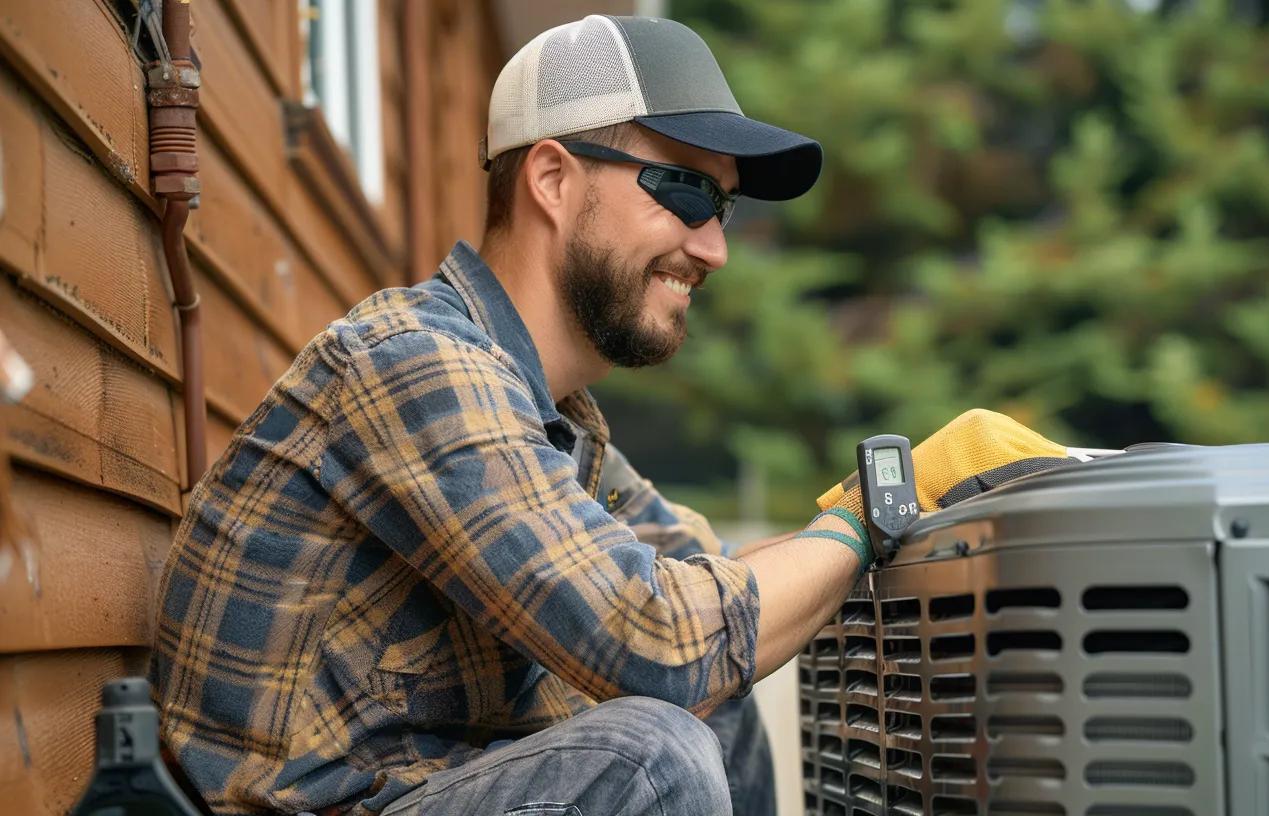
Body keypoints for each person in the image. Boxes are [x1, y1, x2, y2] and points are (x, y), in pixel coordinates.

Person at [150, 14, 1071, 816]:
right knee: (654, 754)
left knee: (718, 698)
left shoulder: (553, 419)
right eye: (684, 191)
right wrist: (871, 513)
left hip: (420, 792)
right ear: (552, 178)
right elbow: (657, 643)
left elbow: (710, 597)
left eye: (725, 210)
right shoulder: (415, 365)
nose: (712, 247)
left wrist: (870, 501)